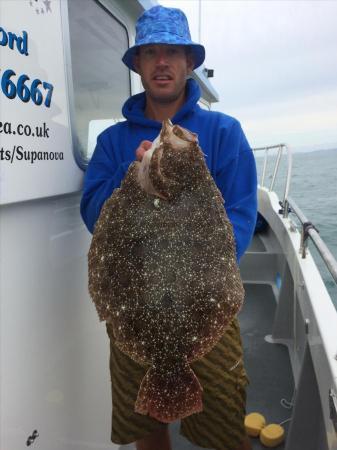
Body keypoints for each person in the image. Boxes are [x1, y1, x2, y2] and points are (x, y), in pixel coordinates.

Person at [80, 5, 257, 450]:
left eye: (173, 52)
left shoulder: (224, 132)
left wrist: (196, 274)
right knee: (145, 425)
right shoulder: (111, 143)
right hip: (134, 306)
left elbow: (240, 215)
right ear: (137, 64)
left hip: (205, 305)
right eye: (151, 52)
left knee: (222, 420)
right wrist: (131, 173)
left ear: (189, 63)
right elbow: (91, 214)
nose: (163, 62)